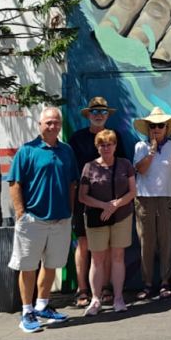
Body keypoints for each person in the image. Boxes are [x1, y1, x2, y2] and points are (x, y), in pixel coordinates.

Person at [7, 107, 79, 334]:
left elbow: (71, 184)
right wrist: (21, 213)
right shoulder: (27, 151)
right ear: (40, 124)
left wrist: (70, 211)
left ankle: (42, 306)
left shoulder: (67, 151)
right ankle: (26, 311)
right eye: (48, 122)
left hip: (60, 220)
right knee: (27, 267)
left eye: (56, 122)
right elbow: (14, 183)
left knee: (51, 266)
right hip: (32, 220)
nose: (53, 126)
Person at [67, 96, 127, 309]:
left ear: (108, 115)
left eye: (103, 112)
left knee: (110, 247)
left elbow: (122, 169)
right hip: (84, 201)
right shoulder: (77, 138)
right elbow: (71, 171)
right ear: (88, 115)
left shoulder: (114, 137)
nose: (99, 115)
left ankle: (107, 288)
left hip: (110, 202)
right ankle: (82, 289)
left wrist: (117, 202)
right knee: (83, 244)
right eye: (95, 112)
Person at [78, 129, 137, 316]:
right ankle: (95, 299)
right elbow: (82, 196)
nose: (106, 148)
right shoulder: (89, 167)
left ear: (115, 146)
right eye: (102, 144)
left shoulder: (125, 164)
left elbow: (132, 191)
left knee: (118, 256)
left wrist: (115, 205)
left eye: (109, 144)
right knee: (97, 259)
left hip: (121, 217)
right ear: (97, 147)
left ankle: (118, 297)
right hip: (97, 218)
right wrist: (104, 206)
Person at [132, 106, 171, 301]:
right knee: (146, 242)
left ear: (166, 128)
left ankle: (165, 282)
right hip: (145, 198)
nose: (156, 129)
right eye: (152, 126)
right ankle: (147, 283)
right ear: (148, 128)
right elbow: (141, 170)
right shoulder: (140, 146)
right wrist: (152, 151)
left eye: (160, 125)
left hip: (168, 197)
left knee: (166, 240)